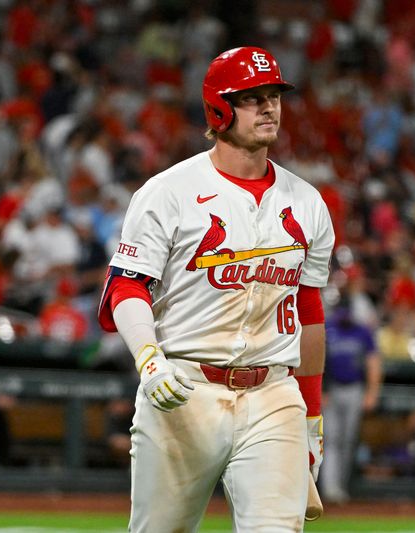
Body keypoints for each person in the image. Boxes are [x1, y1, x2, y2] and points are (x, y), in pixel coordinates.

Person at [98, 47, 335, 532]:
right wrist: (149, 360)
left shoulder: (308, 203)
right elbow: (126, 287)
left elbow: (309, 313)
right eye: (252, 98)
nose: (269, 107)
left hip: (273, 395)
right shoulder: (168, 192)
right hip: (184, 391)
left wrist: (311, 416)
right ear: (219, 108)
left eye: (273, 96)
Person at [320, 302, 382, 503]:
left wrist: (372, 392)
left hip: (355, 389)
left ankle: (341, 486)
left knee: (348, 440)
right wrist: (320, 389)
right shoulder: (329, 327)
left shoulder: (362, 331)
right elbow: (318, 358)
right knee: (330, 439)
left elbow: (373, 361)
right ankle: (330, 488)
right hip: (332, 389)